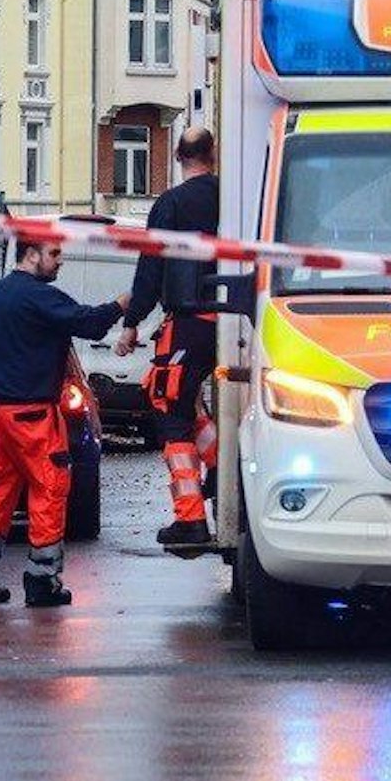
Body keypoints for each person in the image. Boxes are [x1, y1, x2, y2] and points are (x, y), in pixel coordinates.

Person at [0, 239, 128, 608]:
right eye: (54, 254)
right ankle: (42, 582)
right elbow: (89, 324)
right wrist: (121, 305)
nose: (60, 261)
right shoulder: (39, 298)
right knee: (48, 490)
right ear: (31, 254)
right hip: (31, 415)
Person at [116, 128, 221, 555]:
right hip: (236, 320)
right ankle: (226, 474)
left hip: (190, 318)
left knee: (171, 407)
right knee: (191, 407)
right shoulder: (234, 196)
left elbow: (151, 268)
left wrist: (132, 322)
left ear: (178, 155)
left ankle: (190, 518)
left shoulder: (171, 204)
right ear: (213, 155)